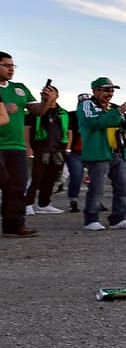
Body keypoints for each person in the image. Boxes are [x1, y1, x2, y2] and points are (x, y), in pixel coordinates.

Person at [79, 77, 126, 231]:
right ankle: (91, 220)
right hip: (98, 152)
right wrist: (118, 111)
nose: (110, 93)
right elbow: (94, 123)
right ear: (95, 91)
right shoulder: (86, 105)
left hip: (118, 152)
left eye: (112, 90)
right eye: (106, 90)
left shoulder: (113, 108)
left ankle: (118, 219)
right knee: (97, 188)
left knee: (122, 187)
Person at [1, 52, 55, 237]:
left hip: (16, 146)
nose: (11, 69)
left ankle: (14, 225)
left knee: (16, 187)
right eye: (6, 65)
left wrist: (46, 101)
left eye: (13, 66)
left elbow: (38, 111)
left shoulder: (20, 88)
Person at [24, 85, 70, 215]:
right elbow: (26, 129)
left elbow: (68, 131)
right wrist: (28, 147)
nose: (46, 94)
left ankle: (44, 204)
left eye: (50, 92)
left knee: (51, 178)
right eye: (43, 93)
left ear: (57, 95)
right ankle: (27, 204)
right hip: (39, 148)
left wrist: (67, 148)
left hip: (57, 149)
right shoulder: (35, 111)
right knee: (36, 178)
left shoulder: (63, 113)